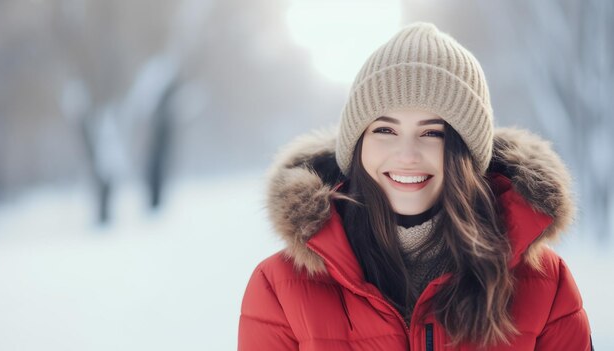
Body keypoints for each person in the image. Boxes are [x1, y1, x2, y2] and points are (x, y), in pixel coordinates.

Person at [238, 22, 592, 350]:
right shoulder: (280, 286)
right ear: (357, 145)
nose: (406, 154)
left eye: (432, 133)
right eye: (385, 130)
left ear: (465, 153)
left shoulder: (546, 283)